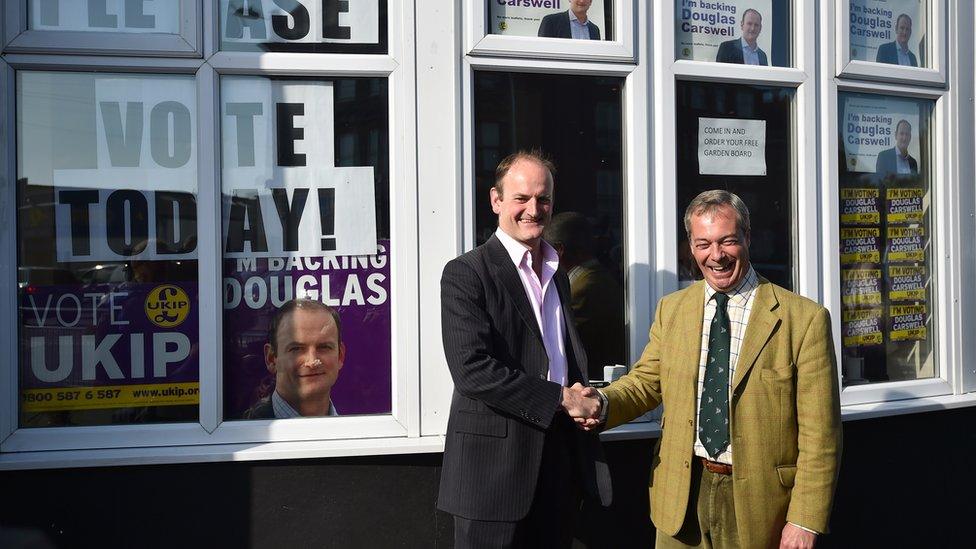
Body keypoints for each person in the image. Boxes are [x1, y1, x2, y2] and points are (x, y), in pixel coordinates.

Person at [575, 190, 842, 548]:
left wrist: (805, 520)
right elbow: (645, 384)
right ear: (690, 246)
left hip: (763, 505)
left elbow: (821, 435)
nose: (715, 255)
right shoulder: (673, 310)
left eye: (727, 241)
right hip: (683, 496)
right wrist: (602, 402)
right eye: (703, 244)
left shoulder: (804, 320)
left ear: (747, 238)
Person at [438, 151, 611, 548]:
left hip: (558, 463)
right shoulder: (467, 272)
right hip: (492, 476)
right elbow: (472, 370)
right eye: (521, 198)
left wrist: (585, 396)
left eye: (543, 199)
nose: (534, 209)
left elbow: (560, 357)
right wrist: (563, 398)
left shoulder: (558, 274)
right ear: (496, 200)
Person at [543, 212, 626, 380]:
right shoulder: (594, 278)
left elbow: (556, 343)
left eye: (545, 249)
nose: (542, 256)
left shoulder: (585, 288)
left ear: (559, 250)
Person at [244, 299, 345, 419]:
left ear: (340, 355)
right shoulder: (235, 434)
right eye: (296, 349)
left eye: (324, 347)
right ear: (271, 358)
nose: (312, 362)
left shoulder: (362, 431)